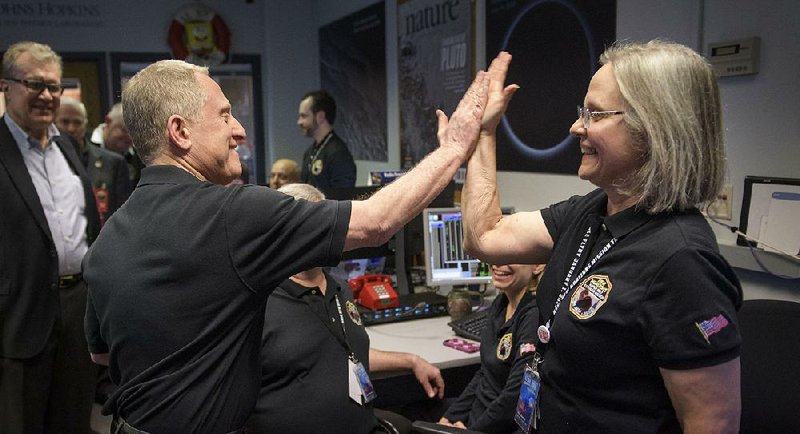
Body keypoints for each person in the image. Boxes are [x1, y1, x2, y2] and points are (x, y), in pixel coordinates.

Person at [83, 58, 489, 433]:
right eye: (224, 115)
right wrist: (454, 148)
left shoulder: (107, 241)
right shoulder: (232, 214)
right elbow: (376, 222)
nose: (239, 130)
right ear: (180, 131)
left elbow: (101, 358)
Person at [461, 44, 743, 433]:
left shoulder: (682, 259)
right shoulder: (591, 211)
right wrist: (485, 132)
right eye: (582, 112)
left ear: (654, 126)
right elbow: (484, 237)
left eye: (595, 114)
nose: (577, 127)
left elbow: (713, 423)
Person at [247, 183, 444, 433]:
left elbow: (343, 354)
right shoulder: (259, 300)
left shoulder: (340, 288)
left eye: (326, 225)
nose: (323, 234)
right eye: (312, 226)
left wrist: (410, 361)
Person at [0, 41, 101, 434]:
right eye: (34, 84)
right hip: (18, 318)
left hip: (77, 311)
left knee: (74, 419)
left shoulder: (67, 147)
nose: (46, 96)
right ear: (6, 86)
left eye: (54, 87)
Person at [438, 264, 544, 433]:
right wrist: (449, 418)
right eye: (496, 255)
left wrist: (471, 431)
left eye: (511, 255)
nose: (498, 263)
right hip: (478, 419)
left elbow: (517, 398)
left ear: (537, 266)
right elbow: (484, 373)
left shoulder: (534, 316)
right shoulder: (501, 304)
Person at [56, 96, 132, 224]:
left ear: (85, 124)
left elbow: (124, 214)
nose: (71, 129)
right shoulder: (45, 161)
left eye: (77, 123)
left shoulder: (113, 162)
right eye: (64, 122)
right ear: (53, 123)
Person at [297, 90, 356, 192]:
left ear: (320, 117)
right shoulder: (309, 152)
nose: (299, 122)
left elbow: (343, 196)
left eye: (304, 116)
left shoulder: (338, 153)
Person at [93, 102, 145, 187]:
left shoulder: (140, 157)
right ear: (108, 121)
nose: (130, 137)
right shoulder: (84, 146)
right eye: (125, 130)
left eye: (135, 132)